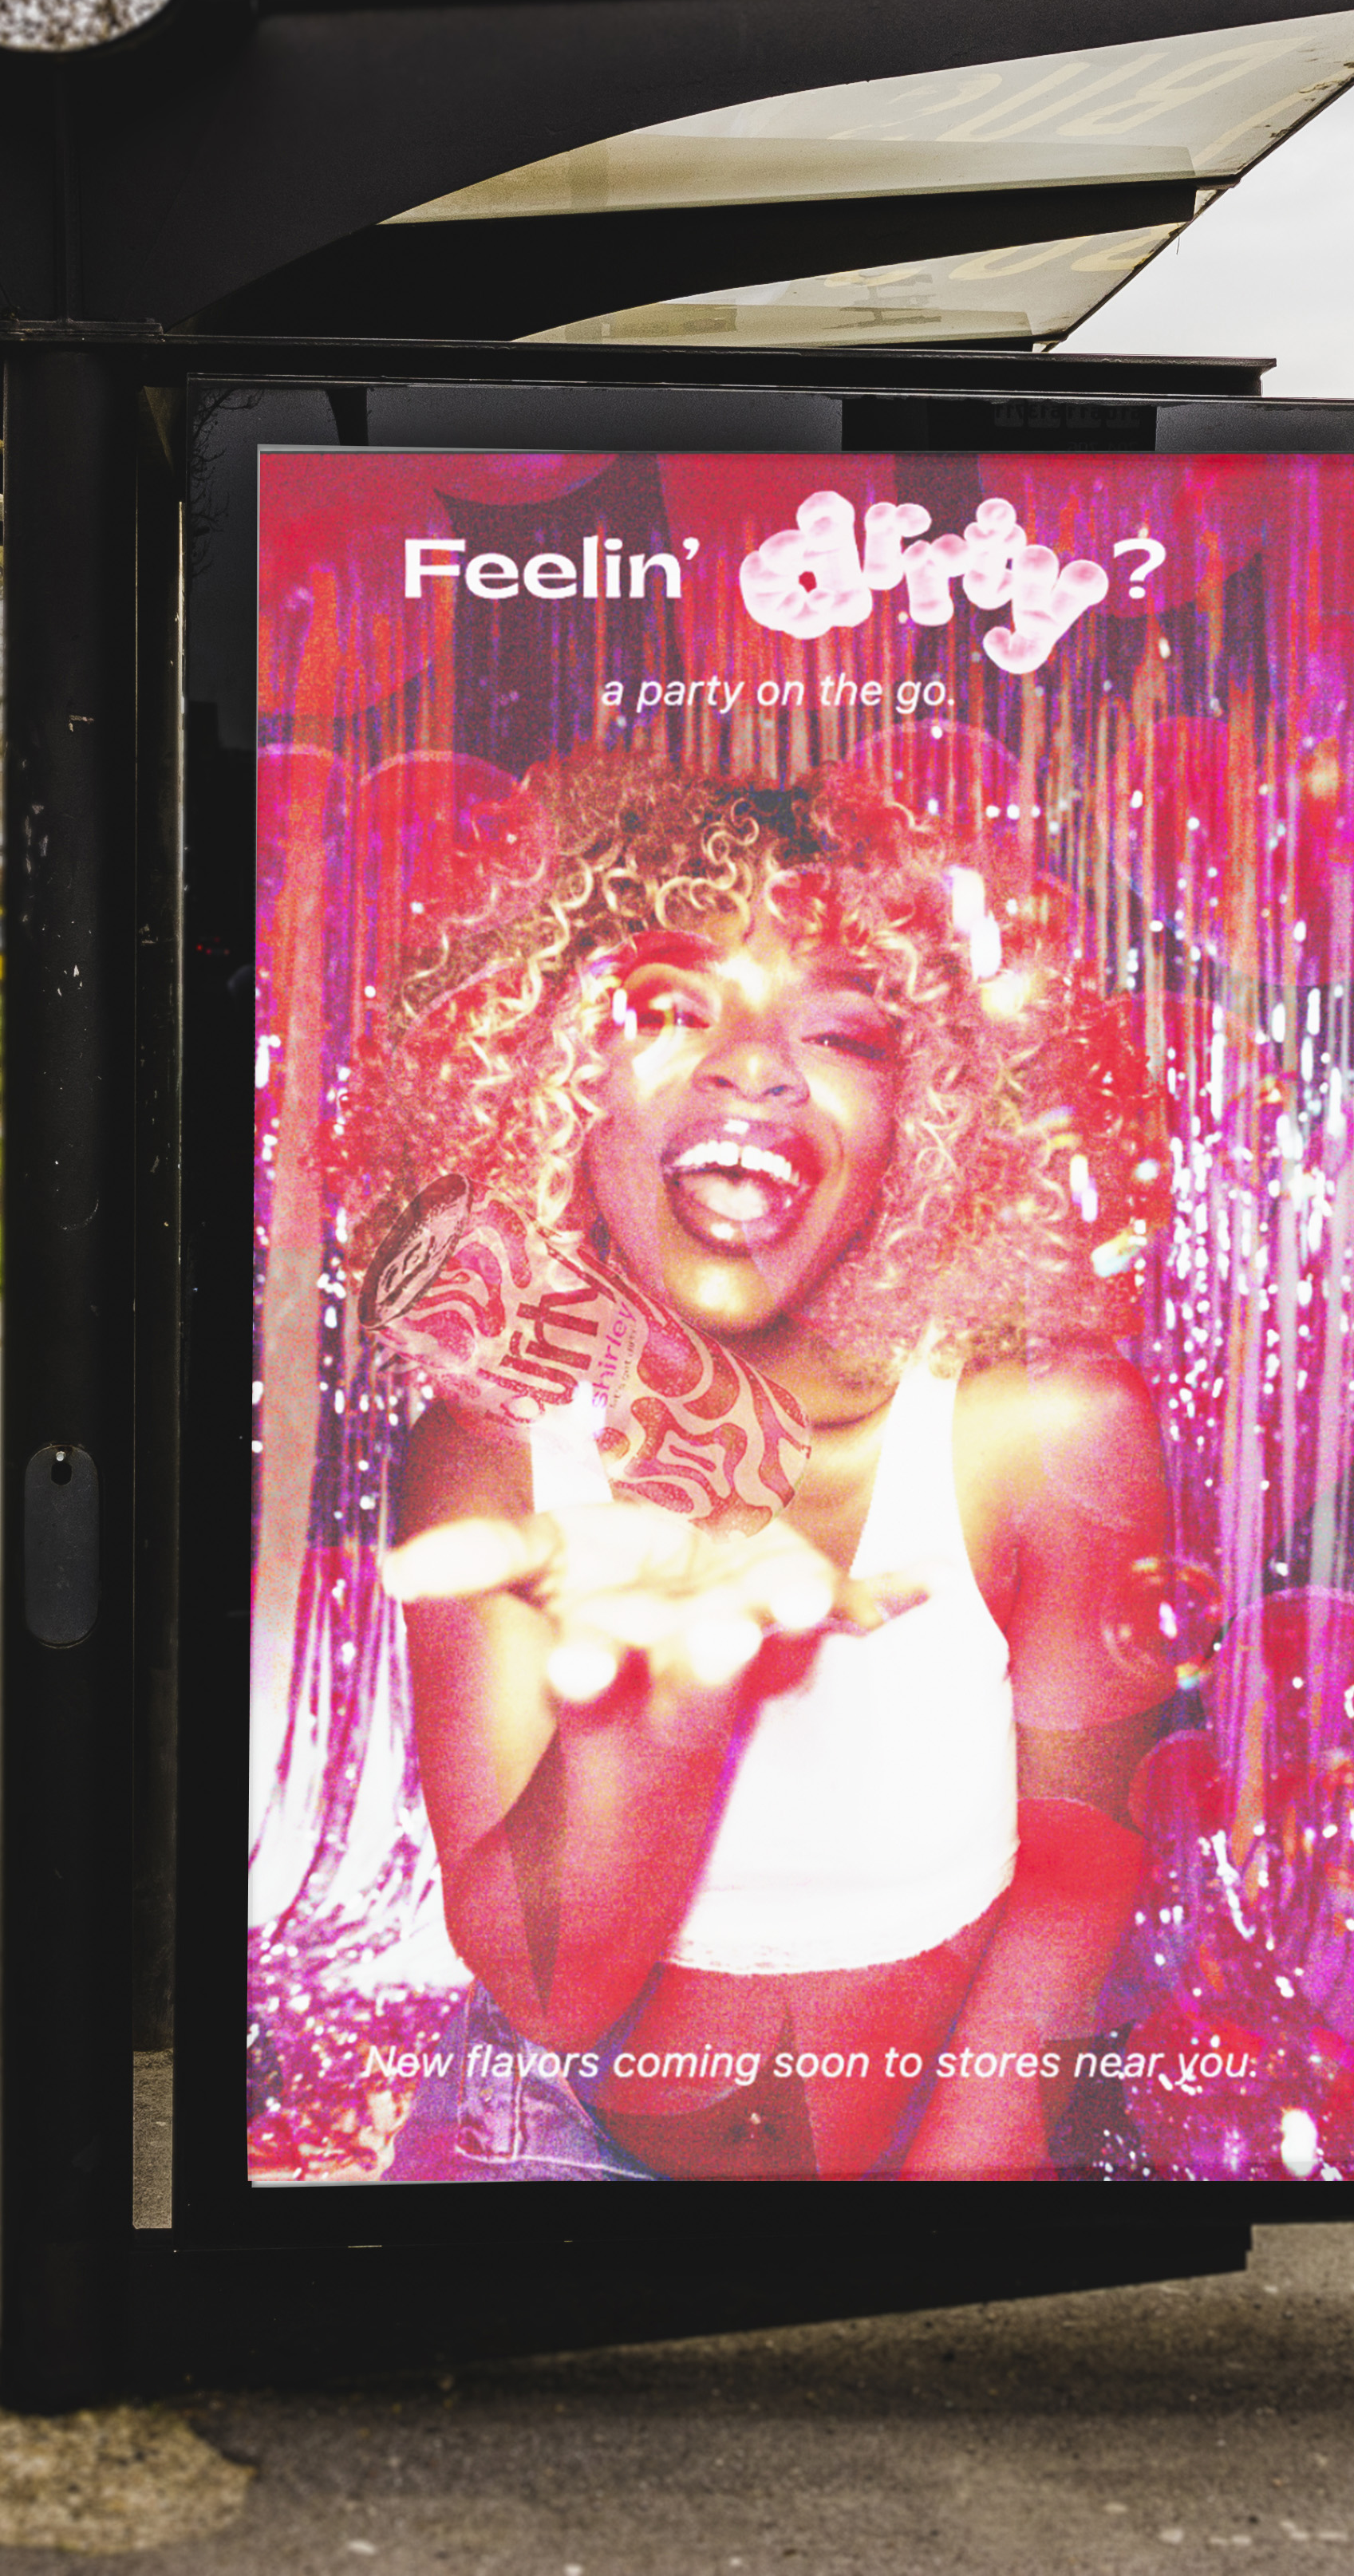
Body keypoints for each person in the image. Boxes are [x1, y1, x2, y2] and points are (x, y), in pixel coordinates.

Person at [349, 759, 1178, 2180]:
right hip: (548, 2137)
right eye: (669, 1008)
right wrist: (659, 1708)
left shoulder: (1040, 1430)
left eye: (841, 1030)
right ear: (556, 1085)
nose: (753, 1063)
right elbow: (549, 1995)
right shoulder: (491, 1452)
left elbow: (1080, 1860)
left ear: (923, 1125)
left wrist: (964, 2176)